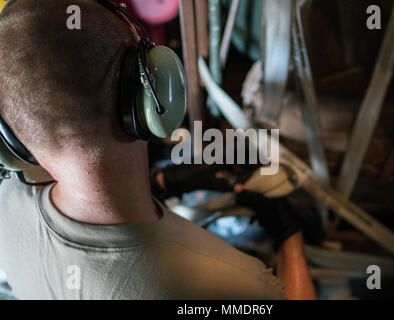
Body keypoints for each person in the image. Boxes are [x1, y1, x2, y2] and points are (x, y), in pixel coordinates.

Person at [0, 0, 316, 300]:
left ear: (11, 144)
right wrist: (290, 239)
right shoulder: (238, 285)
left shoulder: (7, 205)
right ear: (157, 91)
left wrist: (159, 184)